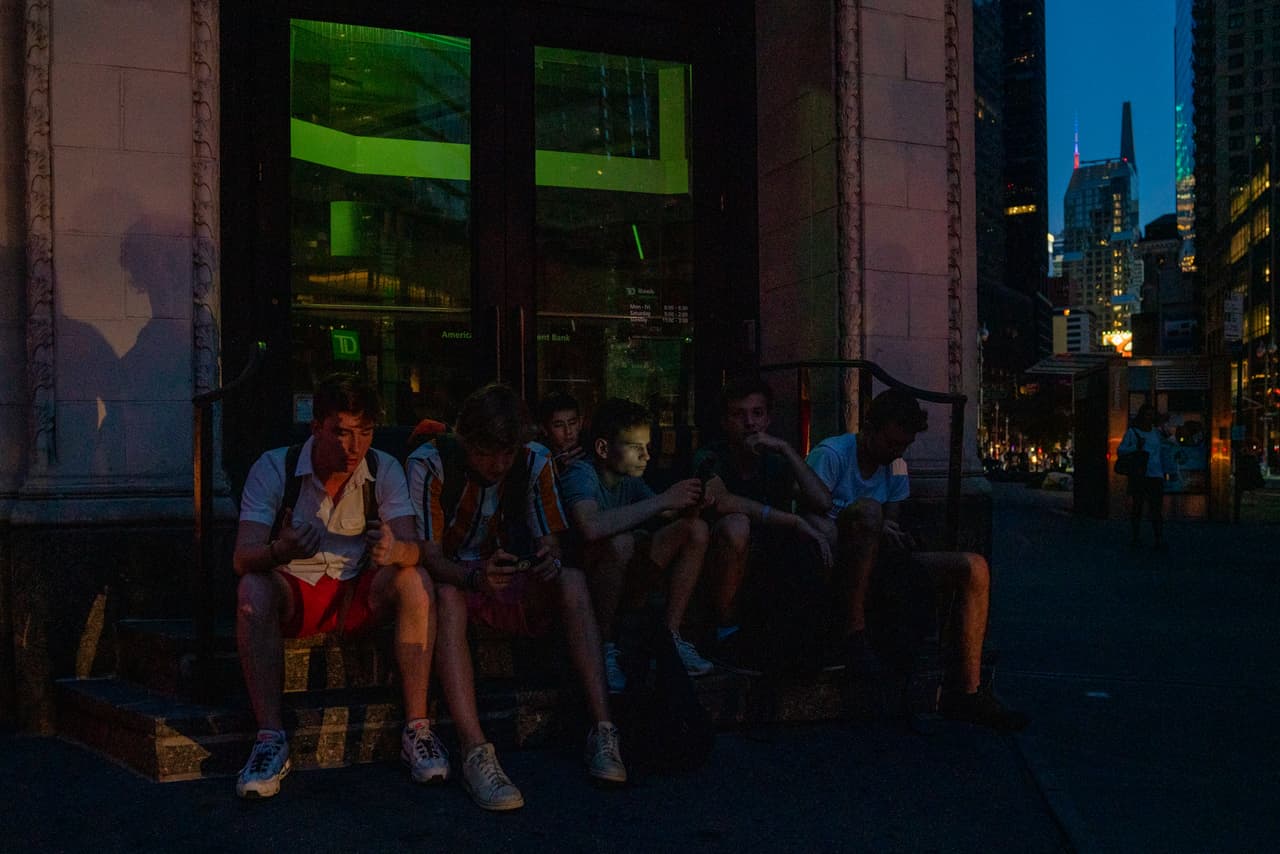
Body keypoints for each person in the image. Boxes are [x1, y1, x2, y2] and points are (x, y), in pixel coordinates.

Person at [408, 383, 624, 811]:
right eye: (488, 453)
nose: (499, 464)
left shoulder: (533, 460)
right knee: (448, 596)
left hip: (507, 575)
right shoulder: (430, 463)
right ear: (467, 441)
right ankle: (474, 749)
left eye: (507, 453)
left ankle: (603, 728)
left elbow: (551, 539)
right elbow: (428, 556)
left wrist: (548, 557)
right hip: (457, 579)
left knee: (572, 581)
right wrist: (474, 578)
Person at [232, 374, 442, 799]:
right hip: (297, 592)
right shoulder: (276, 466)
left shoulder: (383, 468)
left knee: (415, 580)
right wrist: (279, 549)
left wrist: (393, 548)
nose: (353, 447)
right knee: (252, 591)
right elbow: (242, 557)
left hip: (357, 592)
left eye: (364, 434)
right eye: (342, 433)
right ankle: (271, 739)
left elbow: (413, 548)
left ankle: (417, 729)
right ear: (317, 428)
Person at [805, 387, 1028, 731]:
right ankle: (854, 633)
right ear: (869, 429)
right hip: (841, 556)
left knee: (974, 568)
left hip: (882, 558)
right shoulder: (832, 455)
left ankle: (968, 689)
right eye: (891, 442)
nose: (896, 452)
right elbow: (812, 520)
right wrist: (876, 525)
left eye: (903, 446)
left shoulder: (895, 466)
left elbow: (892, 520)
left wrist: (896, 534)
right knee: (867, 511)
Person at [560, 397, 713, 693]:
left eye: (647, 446)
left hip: (624, 580)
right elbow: (590, 527)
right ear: (604, 448)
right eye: (635, 447)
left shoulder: (630, 479)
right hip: (581, 583)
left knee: (694, 530)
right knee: (620, 542)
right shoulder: (581, 474)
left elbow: (665, 512)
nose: (645, 455)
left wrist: (692, 500)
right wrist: (663, 500)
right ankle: (602, 646)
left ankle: (671, 635)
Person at [692, 376, 833, 658]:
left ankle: (825, 630)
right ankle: (726, 632)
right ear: (725, 421)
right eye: (739, 414)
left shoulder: (775, 460)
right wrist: (792, 520)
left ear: (768, 418)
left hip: (769, 561)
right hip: (717, 562)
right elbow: (722, 502)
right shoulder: (710, 456)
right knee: (737, 525)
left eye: (757, 413)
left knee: (823, 527)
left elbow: (822, 501)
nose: (750, 423)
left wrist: (787, 449)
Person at [1118, 403, 1167, 549]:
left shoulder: (1156, 433)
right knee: (1138, 506)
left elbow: (1163, 450)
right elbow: (1121, 450)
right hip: (1140, 474)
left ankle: (1158, 538)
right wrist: (1136, 447)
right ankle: (1136, 537)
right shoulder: (1133, 433)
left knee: (1156, 508)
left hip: (1155, 474)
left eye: (1152, 415)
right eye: (1147, 414)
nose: (1149, 418)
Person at [534, 390, 585, 475]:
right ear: (544, 429)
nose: (568, 431)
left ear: (580, 422)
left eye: (572, 423)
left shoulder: (590, 450)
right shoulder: (537, 459)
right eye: (559, 425)